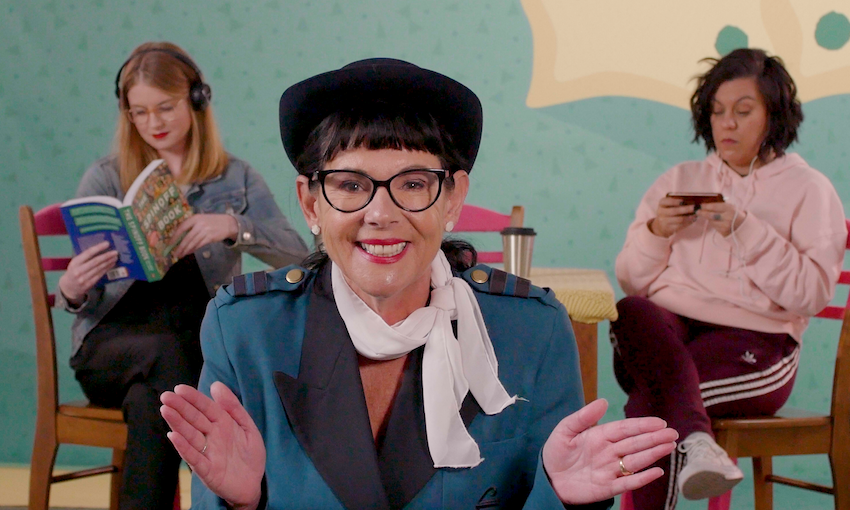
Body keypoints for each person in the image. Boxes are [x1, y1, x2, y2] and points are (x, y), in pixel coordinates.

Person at [159, 58, 678, 510]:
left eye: (412, 184)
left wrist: (558, 496)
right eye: (351, 185)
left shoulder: (531, 329)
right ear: (311, 203)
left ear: (452, 199)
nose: (380, 214)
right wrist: (241, 504)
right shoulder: (245, 328)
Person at [56, 41, 309, 509]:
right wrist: (71, 289)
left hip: (190, 348)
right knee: (183, 367)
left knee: (153, 400)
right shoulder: (105, 176)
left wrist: (234, 226)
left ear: (196, 100)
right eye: (139, 112)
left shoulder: (236, 177)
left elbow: (298, 255)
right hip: (111, 349)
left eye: (165, 107)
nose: (153, 122)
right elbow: (81, 297)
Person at [612, 48, 846, 509]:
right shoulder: (680, 178)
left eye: (743, 111)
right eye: (717, 112)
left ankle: (691, 436)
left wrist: (745, 229)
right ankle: (699, 441)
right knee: (632, 310)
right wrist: (658, 231)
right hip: (666, 336)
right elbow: (632, 281)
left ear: (773, 115)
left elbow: (812, 295)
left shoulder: (810, 190)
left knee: (653, 403)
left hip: (756, 347)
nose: (727, 124)